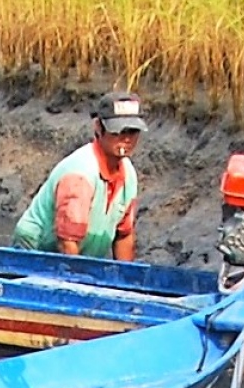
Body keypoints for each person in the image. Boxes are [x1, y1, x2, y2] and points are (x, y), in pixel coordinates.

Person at [12, 91, 147, 261]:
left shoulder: (128, 175)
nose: (126, 139)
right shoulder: (81, 173)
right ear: (98, 127)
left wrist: (127, 284)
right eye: (118, 131)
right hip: (37, 249)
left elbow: (124, 235)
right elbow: (66, 242)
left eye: (132, 132)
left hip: (82, 250)